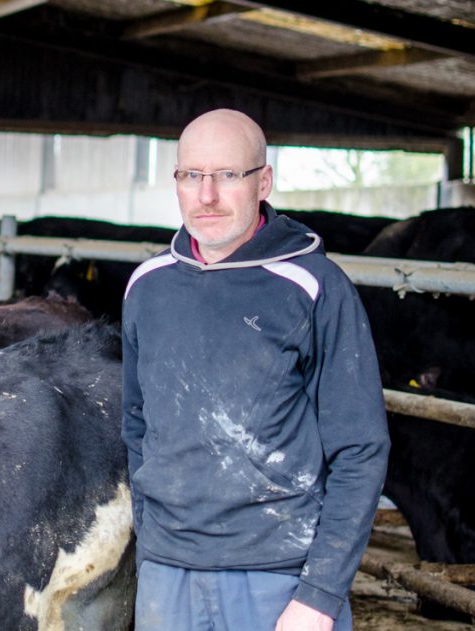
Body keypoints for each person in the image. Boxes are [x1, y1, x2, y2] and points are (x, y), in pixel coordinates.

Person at [121, 109, 390, 631]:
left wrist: (320, 594)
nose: (207, 196)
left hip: (279, 579)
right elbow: (137, 423)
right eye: (191, 175)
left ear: (263, 181)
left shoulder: (315, 287)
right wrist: (152, 542)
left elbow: (361, 449)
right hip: (167, 576)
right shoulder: (147, 286)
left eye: (227, 174)